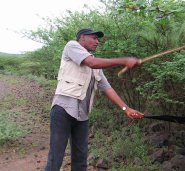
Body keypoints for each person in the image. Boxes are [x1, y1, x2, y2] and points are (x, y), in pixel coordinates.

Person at [44, 27, 144, 171]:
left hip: (82, 116)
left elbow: (107, 88)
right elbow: (92, 62)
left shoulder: (96, 66)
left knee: (80, 160)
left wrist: (126, 109)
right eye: (94, 38)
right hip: (62, 111)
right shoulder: (72, 46)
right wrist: (124, 60)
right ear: (83, 37)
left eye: (98, 39)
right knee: (55, 158)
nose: (97, 42)